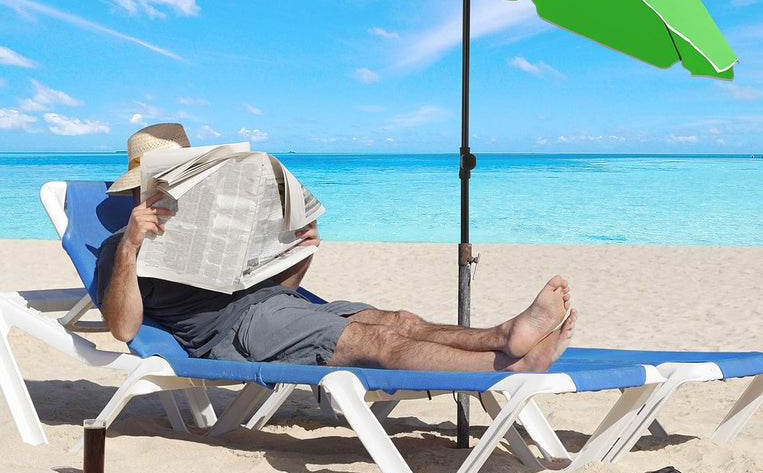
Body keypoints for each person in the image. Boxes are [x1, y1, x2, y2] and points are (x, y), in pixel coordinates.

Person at [97, 123, 577, 373]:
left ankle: (503, 335)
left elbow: (277, 290)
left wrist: (299, 250)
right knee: (381, 344)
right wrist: (130, 249)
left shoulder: (216, 221)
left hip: (278, 307)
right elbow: (122, 328)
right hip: (238, 332)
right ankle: (511, 365)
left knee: (401, 321)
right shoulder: (120, 247)